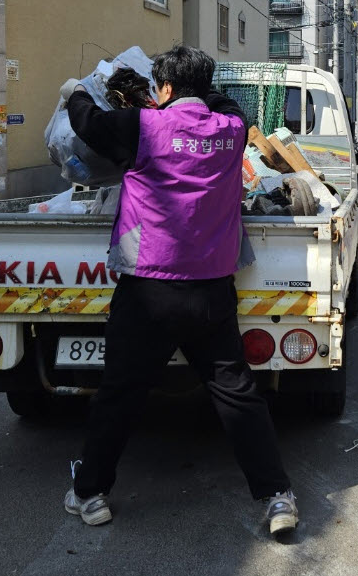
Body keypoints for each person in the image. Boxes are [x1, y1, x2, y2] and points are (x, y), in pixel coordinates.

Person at [61, 46, 298, 537]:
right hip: (211, 289)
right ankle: (277, 497)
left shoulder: (142, 126)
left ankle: (90, 495)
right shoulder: (231, 132)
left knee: (121, 393)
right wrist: (202, 92)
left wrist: (78, 92)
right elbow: (234, 109)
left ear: (163, 89)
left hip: (148, 288)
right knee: (236, 393)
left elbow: (87, 124)